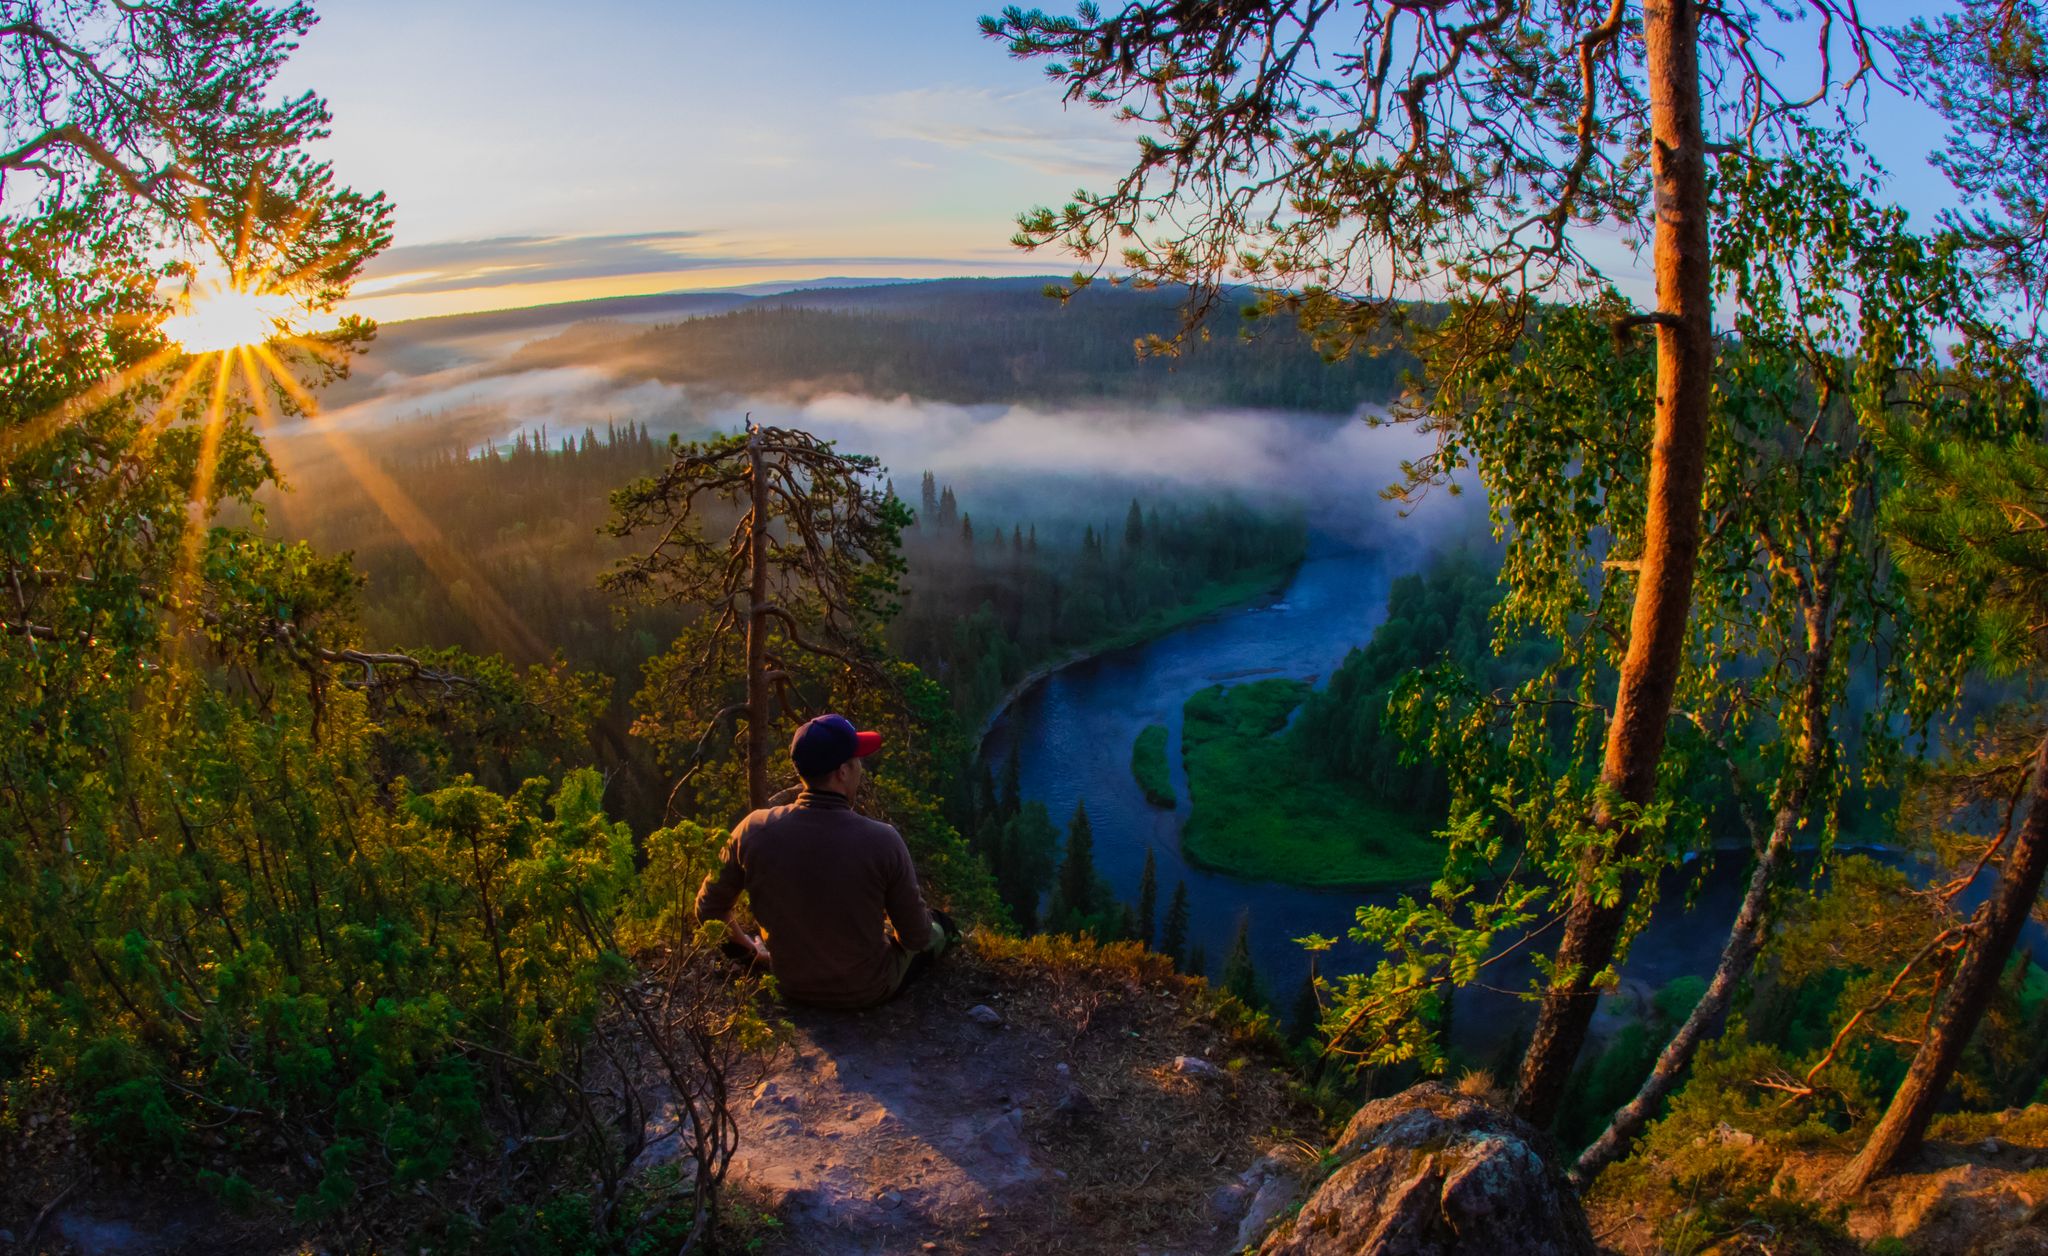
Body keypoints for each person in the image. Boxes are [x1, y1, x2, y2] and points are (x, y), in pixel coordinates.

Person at [695, 713, 952, 1008]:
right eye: (857, 762)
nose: (861, 770)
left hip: (786, 984)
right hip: (867, 989)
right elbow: (916, 938)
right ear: (842, 772)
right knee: (938, 926)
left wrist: (753, 958)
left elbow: (709, 909)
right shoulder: (882, 840)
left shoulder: (754, 829)